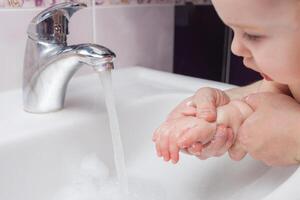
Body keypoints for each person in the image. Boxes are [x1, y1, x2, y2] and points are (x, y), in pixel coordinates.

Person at [152, 0, 300, 166]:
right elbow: (251, 108)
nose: (235, 48)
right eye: (233, 30)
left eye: (253, 35)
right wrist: (214, 121)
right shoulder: (285, 83)